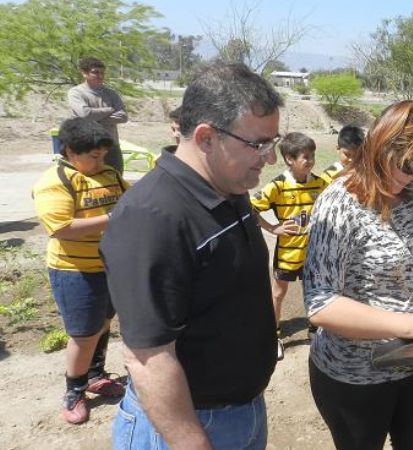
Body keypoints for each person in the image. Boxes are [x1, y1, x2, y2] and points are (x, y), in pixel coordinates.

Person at [100, 63, 282, 450]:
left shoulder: (228, 185)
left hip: (241, 412)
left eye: (273, 142)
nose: (269, 159)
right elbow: (148, 356)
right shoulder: (152, 217)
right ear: (206, 137)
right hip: (185, 427)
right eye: (259, 144)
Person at [303, 100, 413, 450]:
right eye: (409, 163)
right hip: (357, 376)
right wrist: (411, 325)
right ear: (381, 143)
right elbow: (321, 304)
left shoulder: (411, 196)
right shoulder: (339, 203)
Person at [32, 117, 128, 424]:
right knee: (84, 334)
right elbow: (61, 228)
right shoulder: (56, 181)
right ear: (70, 151)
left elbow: (129, 202)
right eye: (93, 157)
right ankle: (74, 391)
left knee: (102, 325)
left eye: (103, 155)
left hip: (109, 265)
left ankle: (96, 376)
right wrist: (113, 219)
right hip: (75, 271)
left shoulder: (110, 174)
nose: (101, 162)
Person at [251, 132, 328, 359]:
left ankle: (315, 330)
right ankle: (274, 336)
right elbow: (250, 208)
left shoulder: (319, 183)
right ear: (289, 159)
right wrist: (273, 228)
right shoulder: (278, 185)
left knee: (313, 291)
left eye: (312, 155)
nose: (311, 160)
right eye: (306, 156)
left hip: (313, 253)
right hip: (287, 253)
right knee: (278, 293)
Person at [68, 57, 128, 174]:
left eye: (102, 73)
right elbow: (85, 114)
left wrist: (95, 120)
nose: (100, 76)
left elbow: (123, 116)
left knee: (116, 180)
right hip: (87, 148)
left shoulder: (111, 94)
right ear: (84, 73)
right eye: (95, 72)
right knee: (89, 183)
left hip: (111, 146)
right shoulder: (76, 93)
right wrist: (109, 110)